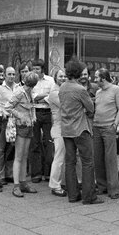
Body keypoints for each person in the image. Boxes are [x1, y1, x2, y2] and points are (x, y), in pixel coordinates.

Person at [59, 60, 103, 205]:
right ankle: (89, 196)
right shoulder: (80, 89)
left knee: (70, 162)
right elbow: (90, 108)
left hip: (66, 129)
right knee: (87, 162)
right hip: (80, 129)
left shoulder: (63, 87)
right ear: (78, 73)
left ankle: (73, 195)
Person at [5, 72, 39, 198]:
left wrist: (33, 117)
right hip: (20, 126)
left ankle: (23, 183)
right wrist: (20, 115)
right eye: (30, 86)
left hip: (29, 126)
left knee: (25, 156)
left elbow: (32, 107)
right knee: (19, 157)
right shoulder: (19, 92)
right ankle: (16, 186)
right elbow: (7, 107)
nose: (30, 88)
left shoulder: (28, 92)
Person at [93, 68, 119, 199]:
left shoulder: (116, 90)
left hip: (108, 127)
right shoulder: (98, 92)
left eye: (96, 77)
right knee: (98, 158)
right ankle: (102, 186)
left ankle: (114, 189)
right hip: (97, 126)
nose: (94, 80)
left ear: (103, 78)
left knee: (110, 158)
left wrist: (115, 124)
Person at [29, 59, 55, 184]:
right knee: (35, 143)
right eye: (33, 69)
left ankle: (48, 172)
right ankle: (36, 173)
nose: (35, 71)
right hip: (34, 113)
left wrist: (41, 98)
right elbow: (31, 97)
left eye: (37, 69)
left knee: (48, 142)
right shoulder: (31, 81)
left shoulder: (50, 80)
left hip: (47, 113)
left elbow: (53, 96)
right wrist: (44, 96)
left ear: (42, 69)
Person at [47, 69, 68, 197]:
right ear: (55, 78)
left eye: (65, 76)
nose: (63, 78)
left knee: (64, 157)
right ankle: (55, 185)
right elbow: (66, 106)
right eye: (60, 76)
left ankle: (62, 183)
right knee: (59, 157)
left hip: (65, 127)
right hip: (59, 127)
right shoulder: (54, 93)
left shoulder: (63, 90)